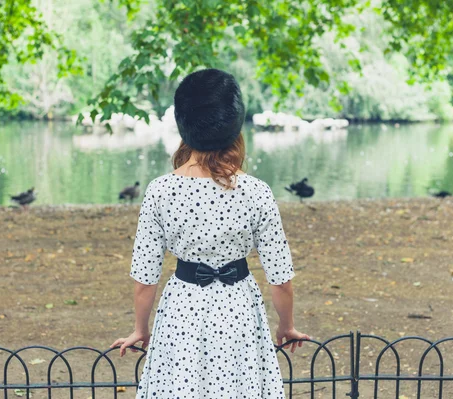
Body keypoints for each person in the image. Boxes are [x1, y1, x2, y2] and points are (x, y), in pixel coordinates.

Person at [110, 68, 309, 398]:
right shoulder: (257, 192)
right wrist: (286, 326)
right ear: (234, 124)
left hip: (181, 312)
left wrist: (140, 330)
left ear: (185, 124)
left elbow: (145, 280)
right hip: (240, 312)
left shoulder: (160, 191)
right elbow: (281, 280)